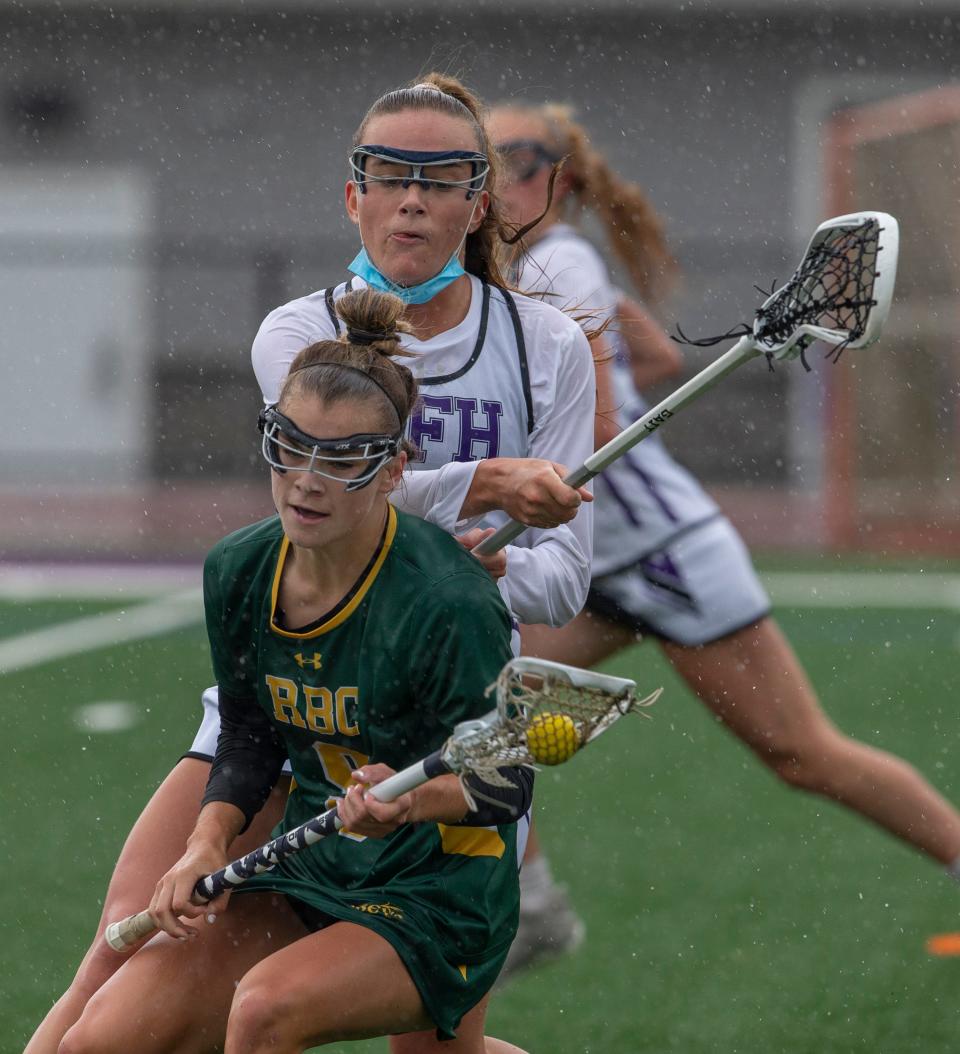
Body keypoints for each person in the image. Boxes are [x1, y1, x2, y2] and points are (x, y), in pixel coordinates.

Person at [27, 75, 595, 1054]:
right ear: (353, 195)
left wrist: (473, 569)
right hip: (295, 698)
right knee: (123, 959)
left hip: (437, 714)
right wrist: (483, 488)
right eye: (387, 175)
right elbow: (330, 490)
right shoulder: (297, 334)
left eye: (439, 178)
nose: (410, 198)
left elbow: (563, 580)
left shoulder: (544, 346)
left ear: (479, 201)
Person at [486, 101, 960, 981]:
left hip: (665, 552)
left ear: (555, 178)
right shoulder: (518, 274)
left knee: (802, 754)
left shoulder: (560, 263)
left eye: (505, 158)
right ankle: (534, 907)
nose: (482, 179)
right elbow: (647, 368)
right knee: (476, 708)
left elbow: (581, 411)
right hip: (588, 563)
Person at [59, 288, 532, 1054]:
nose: (307, 478)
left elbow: (507, 783)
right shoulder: (240, 568)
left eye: (342, 457)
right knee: (102, 1040)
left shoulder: (449, 599)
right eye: (291, 444)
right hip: (318, 865)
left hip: (438, 893)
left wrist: (403, 805)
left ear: (393, 471)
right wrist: (208, 841)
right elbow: (248, 734)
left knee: (262, 1012)